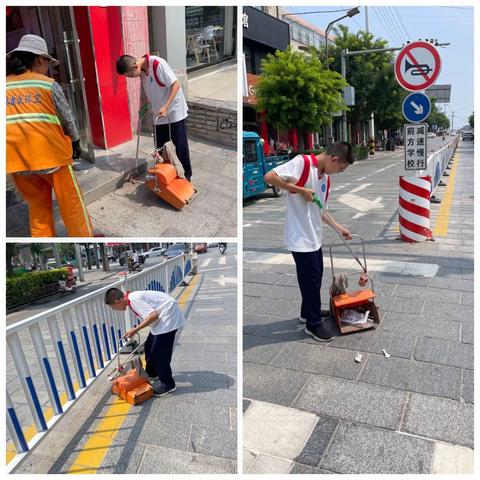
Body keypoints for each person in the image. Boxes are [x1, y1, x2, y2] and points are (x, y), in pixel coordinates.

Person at [264, 141, 354, 342]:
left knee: (315, 277)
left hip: (314, 237)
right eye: (340, 168)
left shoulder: (325, 180)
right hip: (300, 238)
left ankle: (307, 313)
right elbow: (269, 177)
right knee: (311, 281)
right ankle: (313, 325)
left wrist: (339, 228)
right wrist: (298, 189)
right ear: (334, 159)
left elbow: (321, 211)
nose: (337, 172)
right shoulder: (302, 163)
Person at [6, 34, 93, 237]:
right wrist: (76, 142)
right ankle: (83, 237)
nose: (48, 68)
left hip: (17, 163)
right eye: (47, 62)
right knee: (72, 207)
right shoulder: (47, 84)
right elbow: (67, 118)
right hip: (53, 158)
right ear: (39, 59)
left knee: (38, 208)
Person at [116, 54, 192, 181]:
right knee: (160, 148)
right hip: (158, 114)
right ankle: (167, 174)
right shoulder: (141, 72)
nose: (131, 78)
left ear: (135, 66)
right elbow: (146, 92)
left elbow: (176, 85)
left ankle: (187, 176)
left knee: (180, 146)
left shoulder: (157, 64)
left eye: (129, 75)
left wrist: (166, 107)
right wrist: (143, 108)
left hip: (174, 111)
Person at [104, 287, 185, 397]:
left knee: (159, 353)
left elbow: (153, 315)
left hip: (168, 316)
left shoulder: (134, 300)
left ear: (118, 301)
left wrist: (135, 330)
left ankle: (168, 384)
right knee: (149, 345)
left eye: (113, 307)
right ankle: (152, 373)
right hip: (164, 316)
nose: (115, 310)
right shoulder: (131, 299)